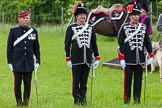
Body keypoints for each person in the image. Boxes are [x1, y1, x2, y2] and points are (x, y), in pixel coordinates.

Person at [64, 3, 100, 106]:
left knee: (84, 82)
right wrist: (68, 58)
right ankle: (76, 100)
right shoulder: (71, 28)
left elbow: (94, 43)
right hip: (76, 58)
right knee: (76, 82)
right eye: (80, 14)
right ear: (76, 16)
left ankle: (83, 99)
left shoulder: (90, 28)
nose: (83, 16)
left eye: (84, 14)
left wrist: (97, 57)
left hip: (87, 59)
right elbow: (67, 44)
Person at [117, 3, 154, 104]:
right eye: (134, 14)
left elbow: (147, 42)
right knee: (127, 82)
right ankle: (126, 100)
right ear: (130, 16)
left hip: (140, 59)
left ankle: (137, 100)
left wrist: (151, 55)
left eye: (137, 14)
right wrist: (121, 58)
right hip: (128, 59)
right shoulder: (124, 27)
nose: (136, 16)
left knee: (138, 82)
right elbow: (120, 44)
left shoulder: (143, 27)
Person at [7, 10, 40, 107]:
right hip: (17, 62)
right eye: (23, 18)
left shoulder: (33, 31)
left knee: (27, 83)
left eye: (27, 18)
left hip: (29, 62)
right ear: (19, 19)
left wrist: (37, 61)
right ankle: (19, 102)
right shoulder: (13, 31)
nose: (25, 20)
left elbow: (36, 48)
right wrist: (10, 62)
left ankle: (26, 102)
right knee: (17, 84)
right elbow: (9, 48)